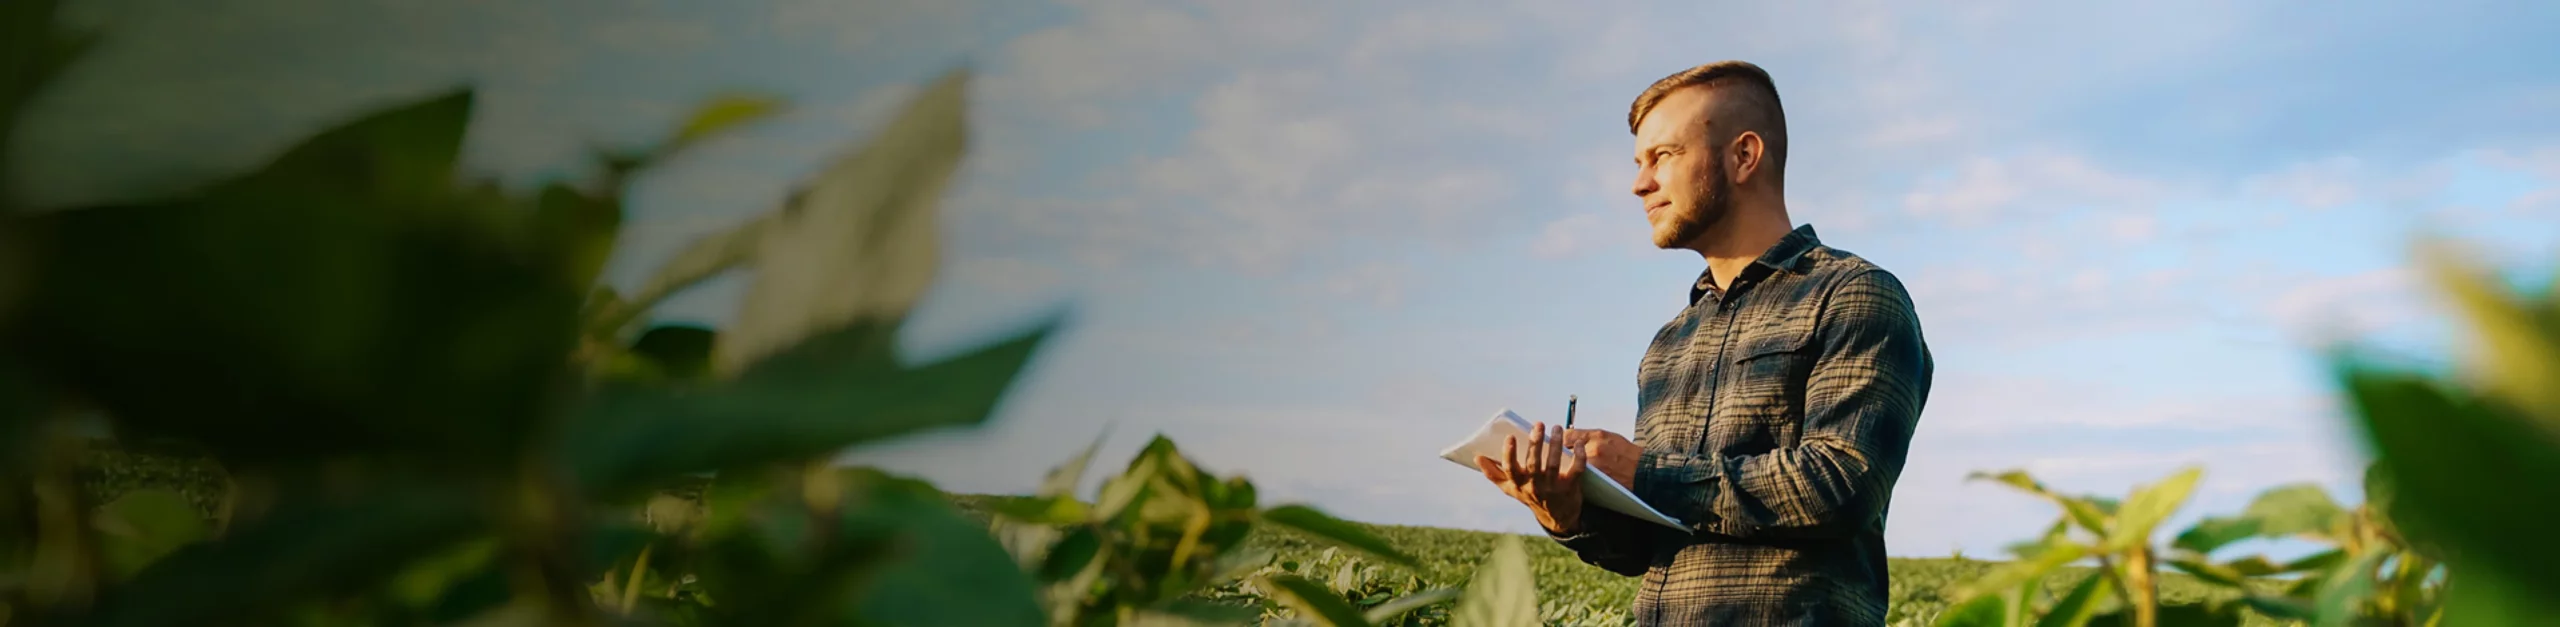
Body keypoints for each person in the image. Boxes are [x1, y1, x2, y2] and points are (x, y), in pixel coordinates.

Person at [1472, 60, 1934, 626]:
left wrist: (1640, 469)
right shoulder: (1670, 343)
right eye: (1640, 163)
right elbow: (1649, 547)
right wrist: (1568, 512)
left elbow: (1840, 484)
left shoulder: (1854, 295)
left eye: (1663, 156)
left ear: (1744, 156)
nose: (1641, 183)